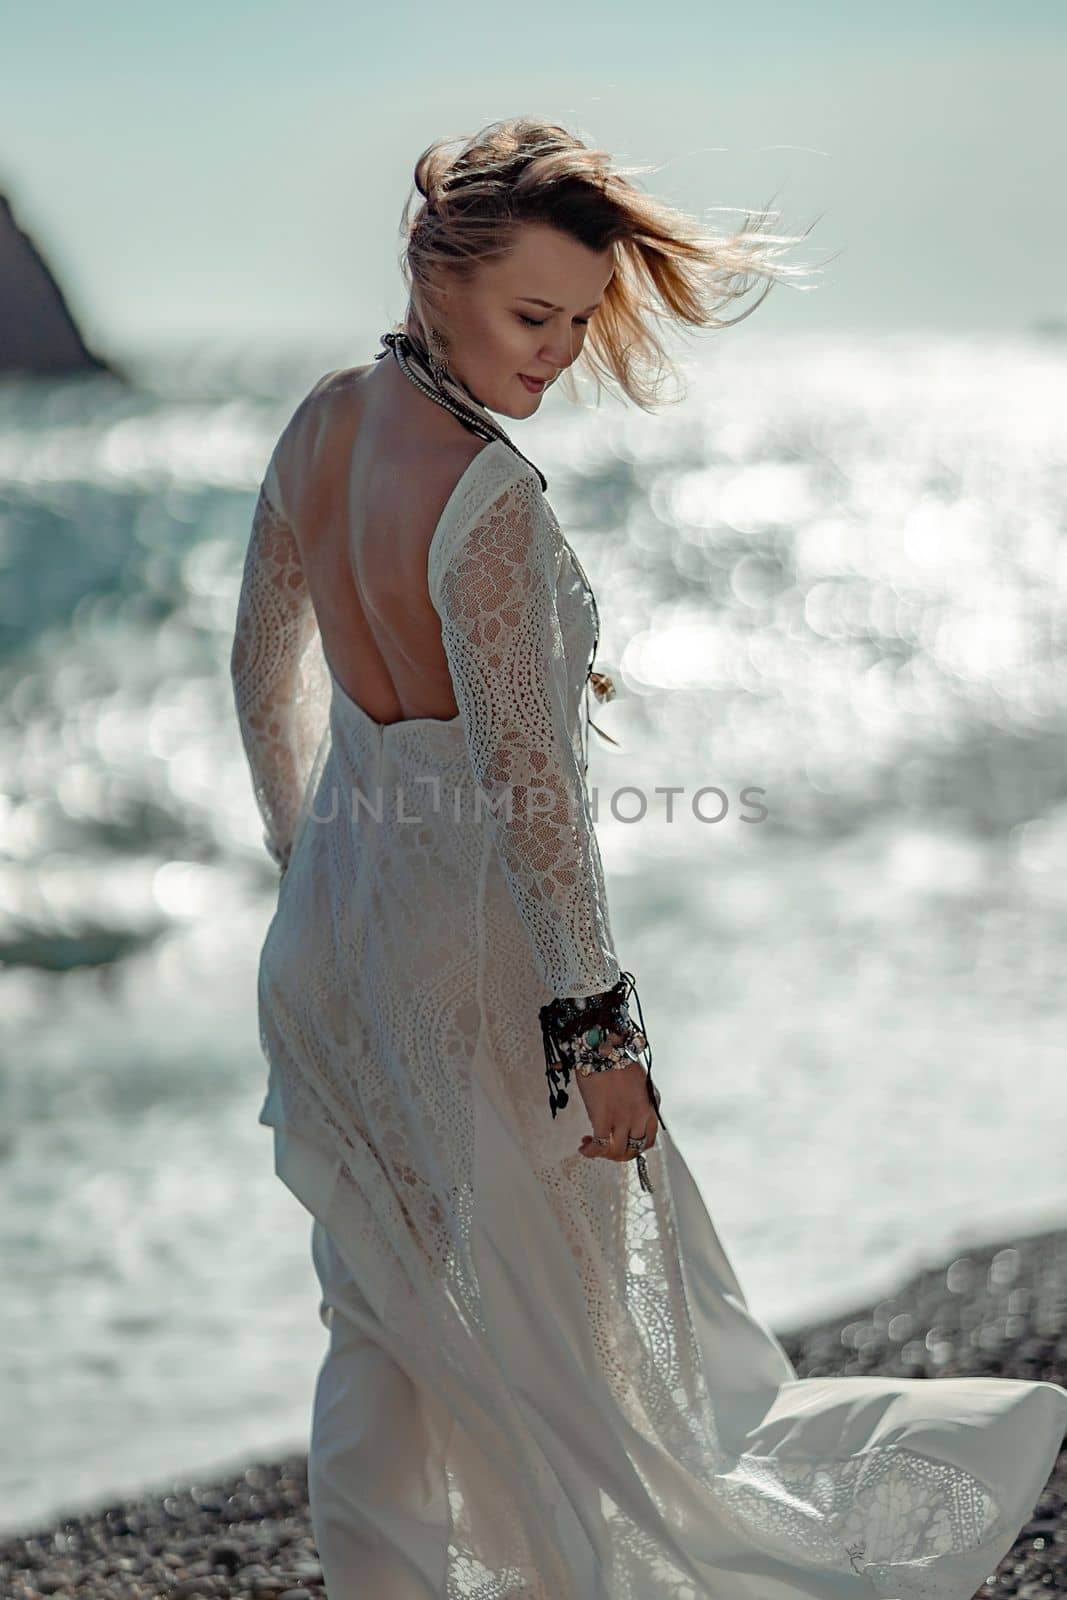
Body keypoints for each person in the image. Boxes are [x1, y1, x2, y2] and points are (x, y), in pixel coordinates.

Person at [230, 117, 1067, 1600]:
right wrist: (598, 1026)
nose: (555, 355)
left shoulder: (319, 424)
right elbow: (534, 798)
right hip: (471, 967)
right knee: (576, 1355)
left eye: (576, 322)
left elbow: (262, 669)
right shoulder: (484, 501)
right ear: (440, 278)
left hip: (328, 953)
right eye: (531, 317)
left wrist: (313, 867)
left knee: (387, 1323)